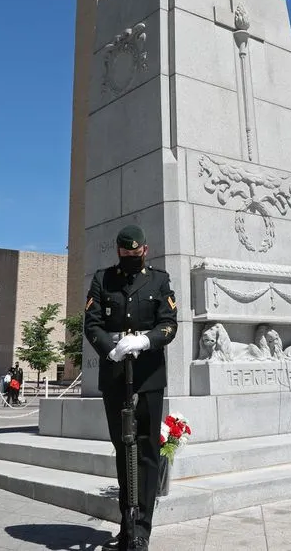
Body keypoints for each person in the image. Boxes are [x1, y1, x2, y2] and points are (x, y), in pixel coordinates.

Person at [84, 225, 178, 551]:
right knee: (124, 451)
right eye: (126, 255)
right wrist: (109, 348)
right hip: (115, 377)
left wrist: (146, 339)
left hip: (148, 377)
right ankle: (127, 523)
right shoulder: (103, 279)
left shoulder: (159, 280)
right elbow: (92, 323)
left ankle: (141, 531)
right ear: (118, 252)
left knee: (147, 454)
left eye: (136, 255)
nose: (131, 259)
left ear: (145, 251)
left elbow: (169, 324)